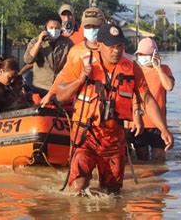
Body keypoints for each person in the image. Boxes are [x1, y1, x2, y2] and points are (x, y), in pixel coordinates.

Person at [56, 23, 174, 195]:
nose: (116, 51)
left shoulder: (131, 68)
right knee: (78, 186)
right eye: (112, 46)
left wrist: (163, 129)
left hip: (114, 139)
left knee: (112, 193)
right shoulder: (83, 63)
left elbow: (147, 98)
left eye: (120, 46)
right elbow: (60, 96)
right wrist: (81, 79)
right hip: (85, 137)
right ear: (99, 45)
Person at [130, 38, 174, 162]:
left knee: (159, 159)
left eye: (146, 54)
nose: (143, 57)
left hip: (158, 124)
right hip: (139, 123)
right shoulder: (134, 71)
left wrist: (158, 68)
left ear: (154, 54)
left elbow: (169, 86)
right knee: (142, 158)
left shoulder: (164, 69)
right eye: (141, 54)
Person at [23, 14, 73, 103]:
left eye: (57, 28)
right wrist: (39, 42)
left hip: (59, 88)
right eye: (51, 27)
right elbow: (28, 59)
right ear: (46, 28)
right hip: (40, 88)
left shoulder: (67, 43)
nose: (54, 30)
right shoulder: (35, 41)